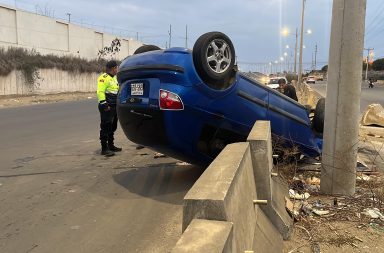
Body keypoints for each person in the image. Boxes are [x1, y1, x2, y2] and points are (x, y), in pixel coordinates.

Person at [97, 60, 122, 156]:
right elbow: (100, 91)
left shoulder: (114, 78)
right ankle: (104, 148)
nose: (117, 69)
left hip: (114, 105)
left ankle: (111, 145)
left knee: (112, 126)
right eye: (116, 68)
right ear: (111, 69)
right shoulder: (103, 78)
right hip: (107, 106)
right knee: (105, 126)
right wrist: (104, 104)